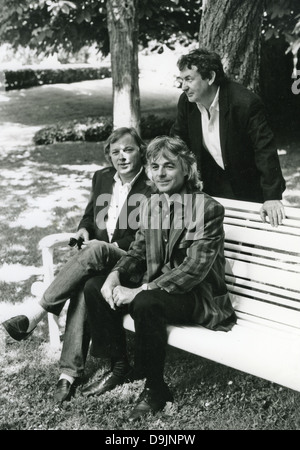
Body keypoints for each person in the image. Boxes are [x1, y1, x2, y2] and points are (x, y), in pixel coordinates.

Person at [81, 135, 236, 421]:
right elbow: (138, 251)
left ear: (187, 169)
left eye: (169, 166)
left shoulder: (206, 208)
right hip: (161, 290)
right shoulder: (152, 204)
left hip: (197, 297)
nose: (160, 173)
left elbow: (192, 271)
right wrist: (115, 276)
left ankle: (155, 389)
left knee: (145, 303)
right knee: (94, 286)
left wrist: (140, 290)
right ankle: (120, 366)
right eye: (154, 167)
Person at [1, 127, 152, 403]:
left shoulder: (151, 186)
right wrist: (84, 231)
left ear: (140, 150)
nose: (122, 157)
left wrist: (107, 247)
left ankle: (35, 314)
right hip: (99, 262)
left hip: (131, 261)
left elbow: (145, 238)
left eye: (128, 149)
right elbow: (89, 216)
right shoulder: (103, 178)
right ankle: (68, 375)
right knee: (84, 285)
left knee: (95, 250)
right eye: (115, 152)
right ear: (109, 155)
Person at [170, 48, 286, 227]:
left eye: (189, 79)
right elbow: (176, 143)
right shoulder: (187, 103)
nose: (183, 86)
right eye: (182, 79)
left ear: (210, 77)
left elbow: (264, 149)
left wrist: (272, 197)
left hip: (247, 188)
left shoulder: (245, 103)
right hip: (209, 186)